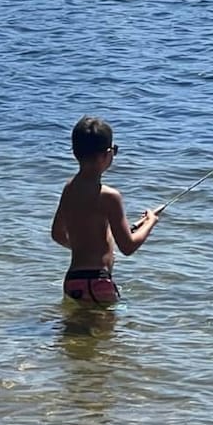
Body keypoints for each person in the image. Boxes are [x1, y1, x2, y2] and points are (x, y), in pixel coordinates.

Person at [51, 116, 159, 307]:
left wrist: (81, 247)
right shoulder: (110, 196)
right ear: (107, 154)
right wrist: (150, 221)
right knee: (106, 336)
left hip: (72, 280)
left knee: (74, 333)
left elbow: (57, 234)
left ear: (75, 153)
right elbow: (128, 247)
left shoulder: (69, 188)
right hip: (98, 282)